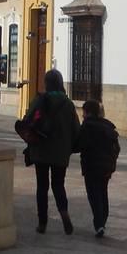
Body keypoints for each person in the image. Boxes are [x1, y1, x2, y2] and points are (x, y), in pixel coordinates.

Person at [16, 68, 79, 235]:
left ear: (47, 83)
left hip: (41, 149)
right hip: (60, 152)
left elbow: (27, 120)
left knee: (42, 186)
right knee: (58, 185)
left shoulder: (40, 100)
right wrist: (70, 147)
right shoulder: (68, 104)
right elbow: (76, 129)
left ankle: (42, 222)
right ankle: (64, 213)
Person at [73, 98, 120, 238]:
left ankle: (99, 224)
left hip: (91, 166)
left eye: (83, 112)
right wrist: (111, 160)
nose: (82, 115)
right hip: (106, 166)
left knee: (94, 195)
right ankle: (102, 222)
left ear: (87, 112)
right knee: (103, 192)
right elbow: (117, 148)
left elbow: (79, 145)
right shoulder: (108, 126)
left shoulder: (87, 127)